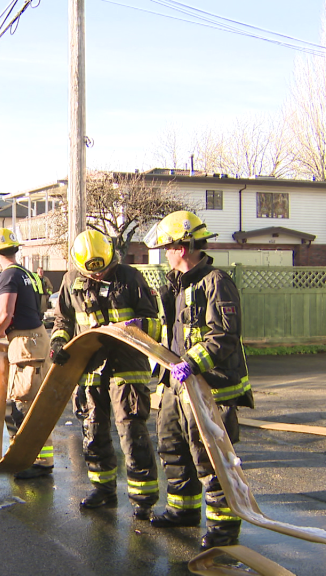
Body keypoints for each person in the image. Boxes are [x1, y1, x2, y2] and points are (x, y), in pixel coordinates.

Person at [144, 210, 254, 550]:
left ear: (185, 246)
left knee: (212, 459)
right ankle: (183, 511)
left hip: (210, 390)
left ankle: (223, 529)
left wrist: (192, 362)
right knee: (173, 448)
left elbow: (224, 334)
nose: (165, 253)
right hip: (175, 387)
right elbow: (172, 332)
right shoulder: (175, 285)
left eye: (168, 247)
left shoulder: (215, 282)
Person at [49, 230, 161, 518]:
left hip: (128, 365)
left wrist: (137, 325)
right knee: (93, 431)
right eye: (91, 273)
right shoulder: (70, 281)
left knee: (132, 431)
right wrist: (59, 342)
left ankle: (143, 499)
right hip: (89, 367)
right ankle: (103, 489)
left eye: (103, 271)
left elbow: (154, 323)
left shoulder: (131, 277)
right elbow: (63, 319)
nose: (97, 277)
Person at [0, 228, 52, 480]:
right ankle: (42, 458)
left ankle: (29, 459)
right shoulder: (27, 274)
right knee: (36, 401)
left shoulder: (8, 276)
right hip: (39, 338)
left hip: (24, 344)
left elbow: (5, 313)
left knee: (21, 403)